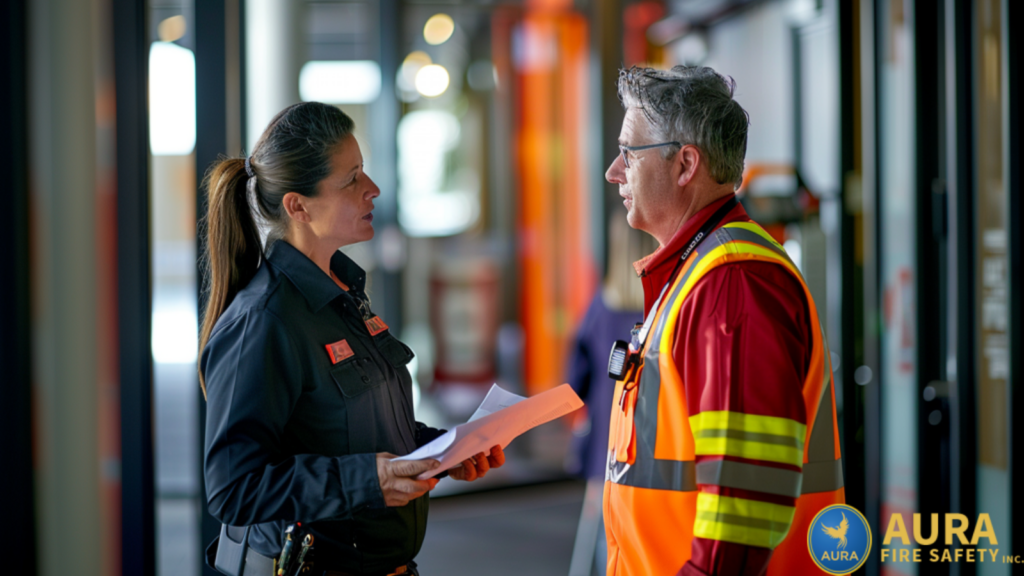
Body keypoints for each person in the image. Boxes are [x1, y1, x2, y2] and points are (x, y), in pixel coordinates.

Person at [199, 102, 504, 576]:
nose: (373, 189)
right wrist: (370, 480)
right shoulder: (263, 321)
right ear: (297, 206)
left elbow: (351, 432)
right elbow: (233, 489)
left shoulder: (344, 293)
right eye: (351, 179)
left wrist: (443, 451)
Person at [601, 66, 844, 576]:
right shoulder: (702, 272)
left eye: (628, 153)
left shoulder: (731, 284)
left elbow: (741, 512)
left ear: (685, 163)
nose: (614, 172)